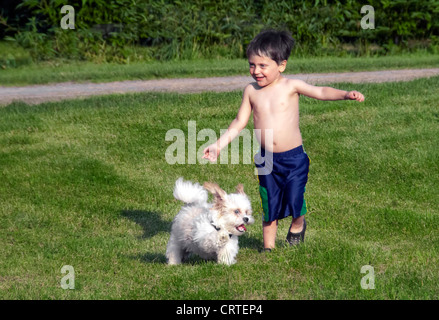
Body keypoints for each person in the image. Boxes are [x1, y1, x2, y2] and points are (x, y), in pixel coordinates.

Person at [202, 29, 364, 251]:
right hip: (266, 159)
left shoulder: (291, 86)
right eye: (252, 65)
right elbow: (239, 121)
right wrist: (218, 144)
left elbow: (321, 92)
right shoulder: (251, 91)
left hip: (293, 157)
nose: (256, 71)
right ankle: (268, 249)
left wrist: (345, 94)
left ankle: (298, 224)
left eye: (262, 66)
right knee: (270, 203)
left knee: (295, 198)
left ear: (281, 65)